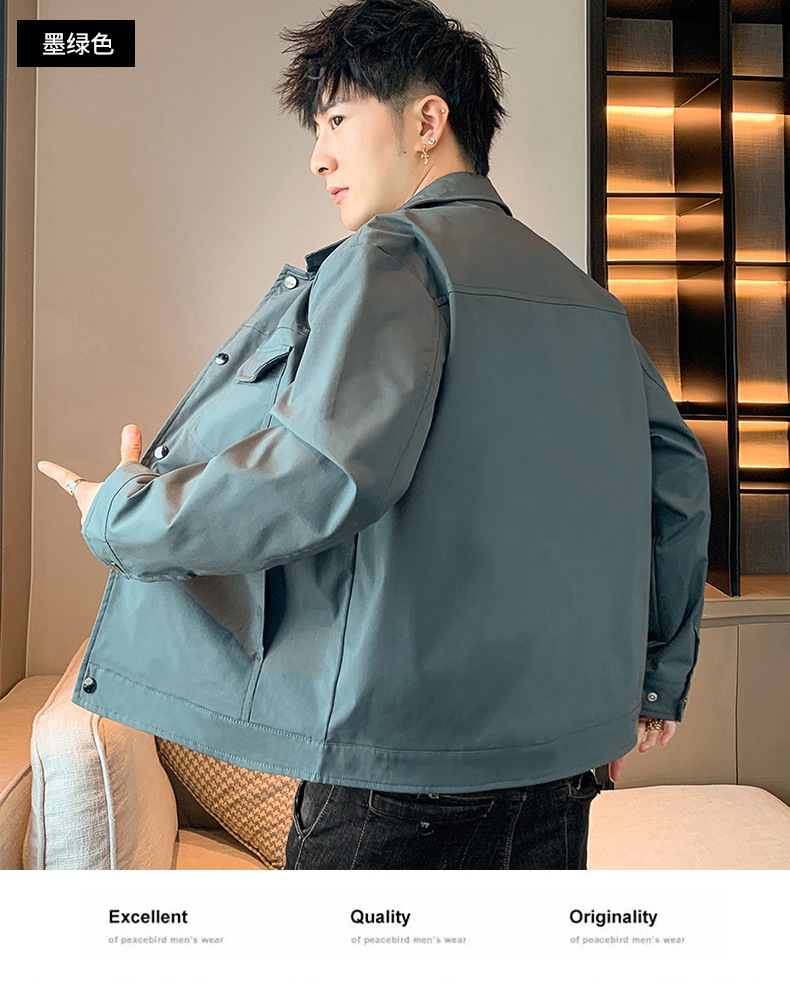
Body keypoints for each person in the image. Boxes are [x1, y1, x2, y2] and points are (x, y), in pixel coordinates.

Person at [37, 0, 710, 869]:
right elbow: (677, 481)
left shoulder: (395, 256)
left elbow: (317, 471)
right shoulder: (589, 301)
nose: (318, 155)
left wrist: (120, 512)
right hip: (559, 770)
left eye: (338, 120)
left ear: (427, 122)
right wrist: (653, 678)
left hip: (400, 775)